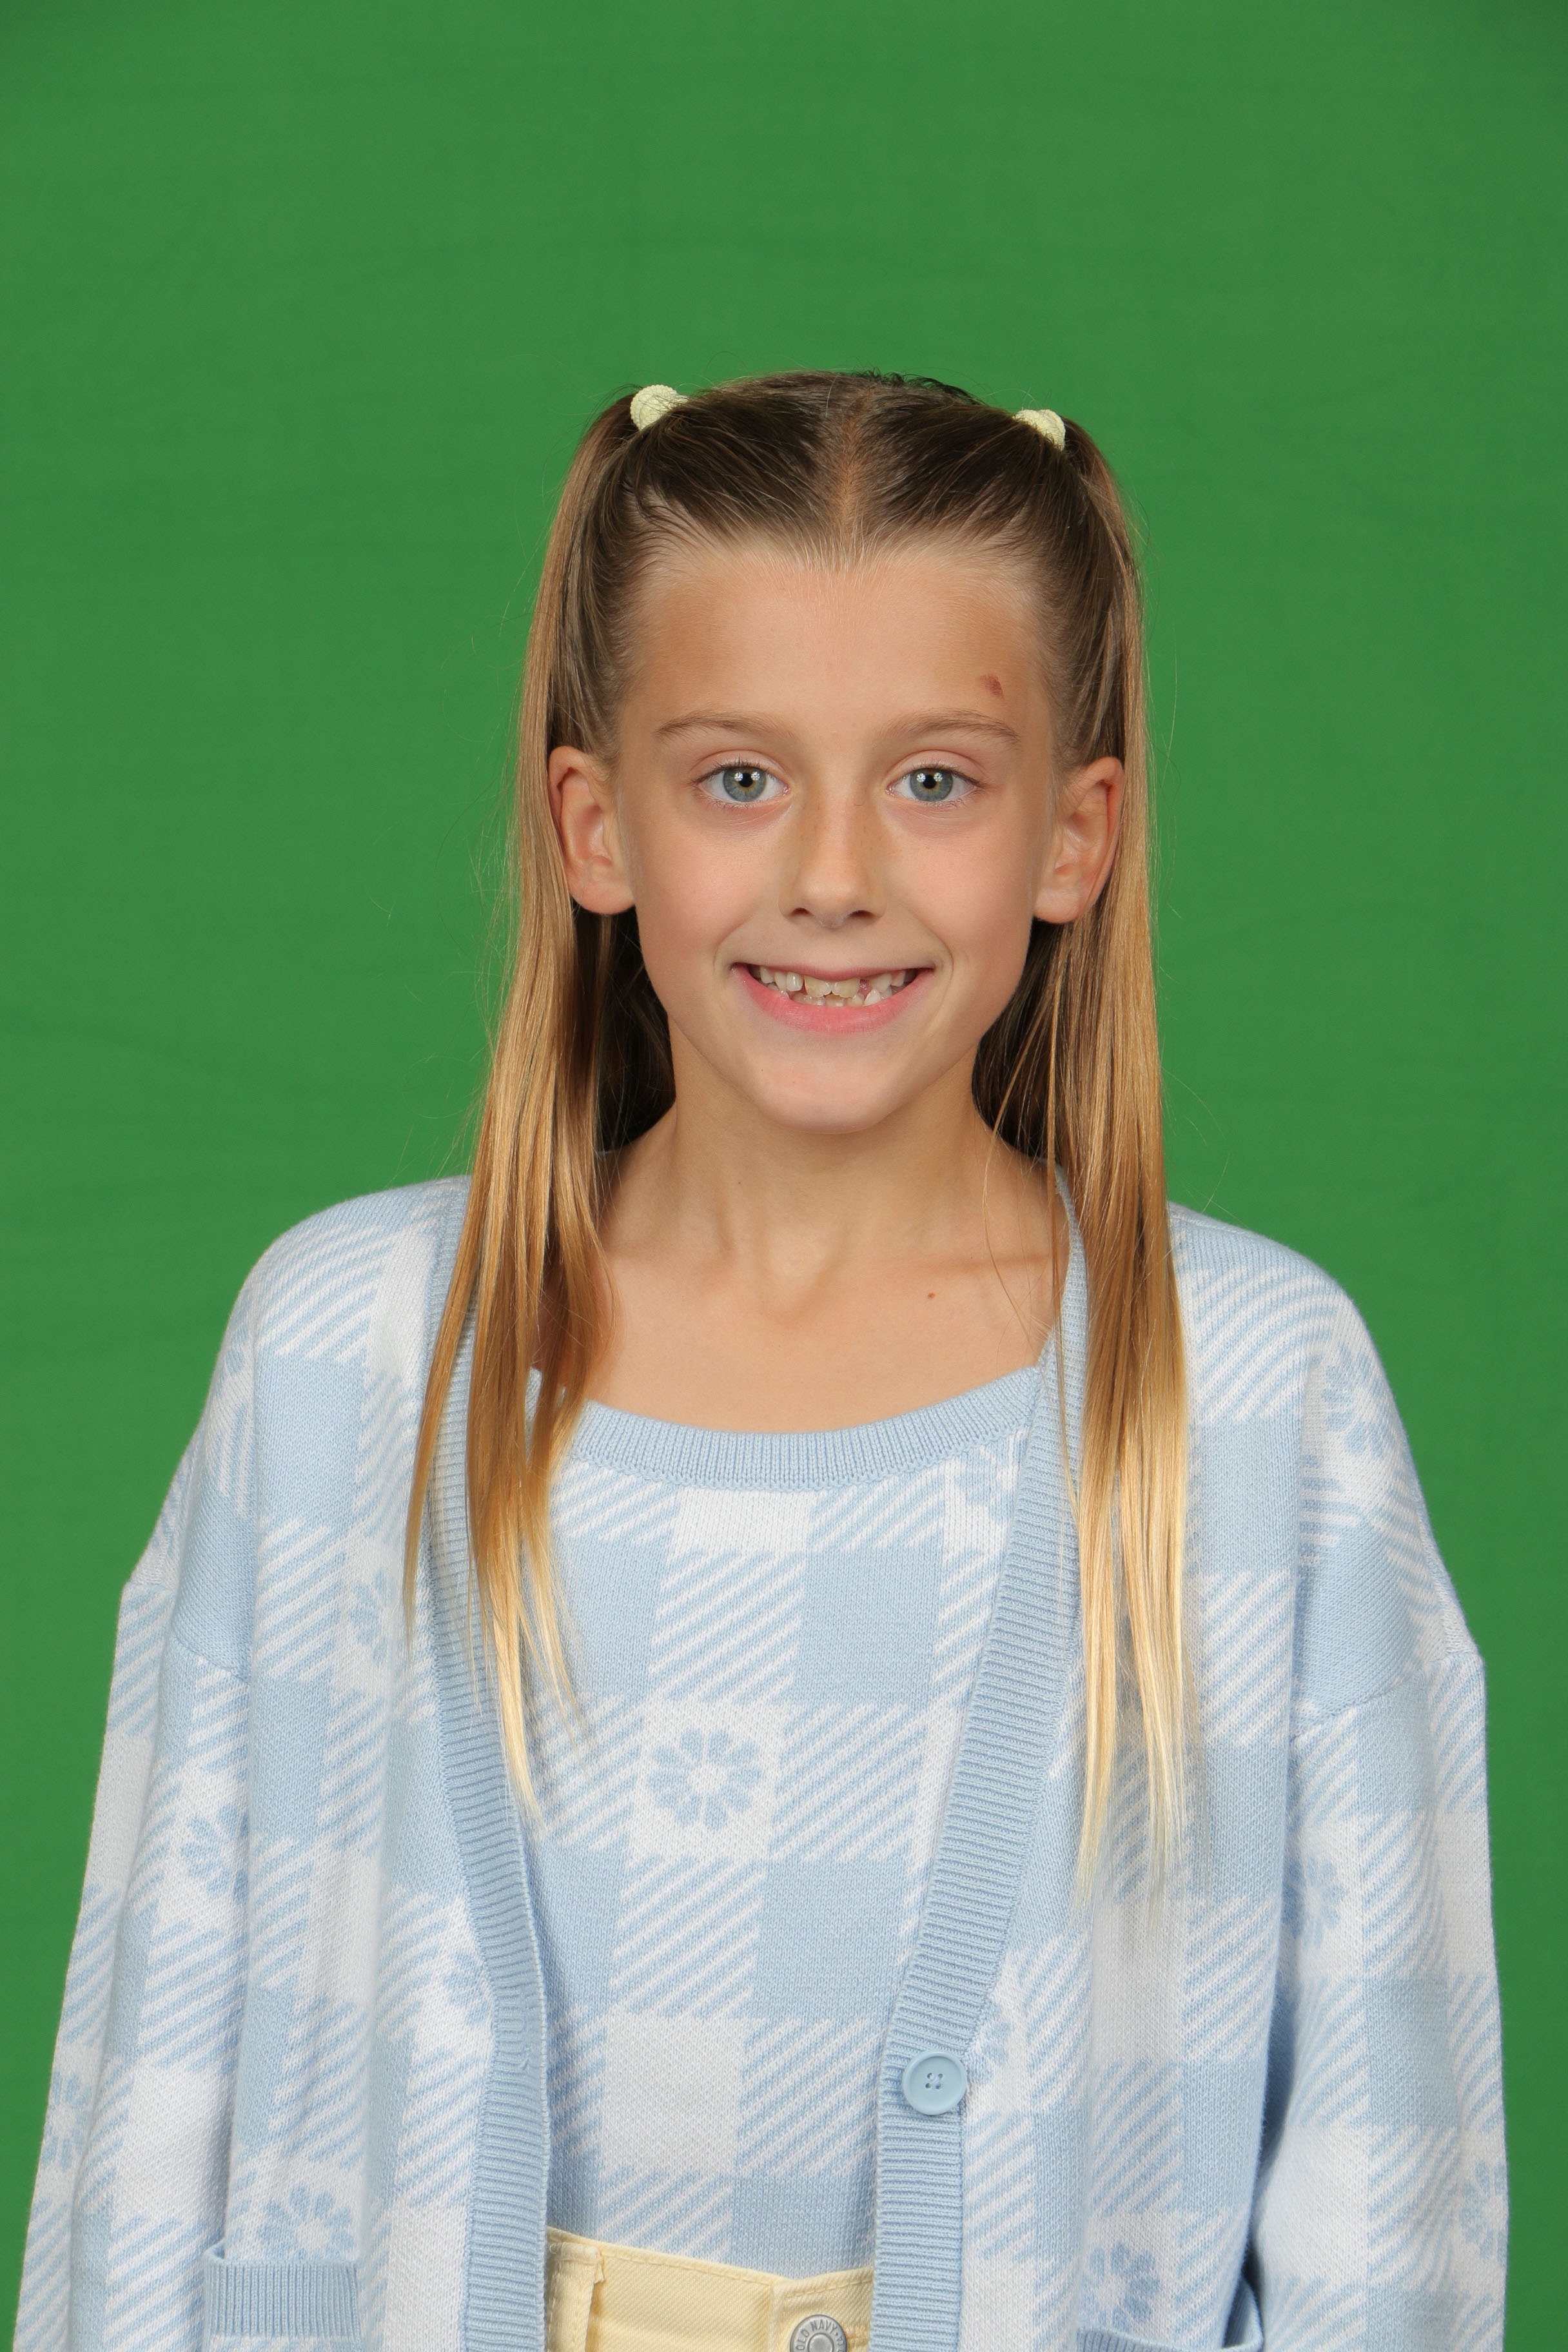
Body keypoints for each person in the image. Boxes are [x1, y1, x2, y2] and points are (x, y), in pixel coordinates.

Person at [16, 373, 1505, 2352]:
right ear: (594, 825)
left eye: (936, 782)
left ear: (1076, 837)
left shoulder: (1257, 1396)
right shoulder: (348, 1351)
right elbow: (149, 2077)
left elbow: (1388, 2181)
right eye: (738, 779)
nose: (833, 873)